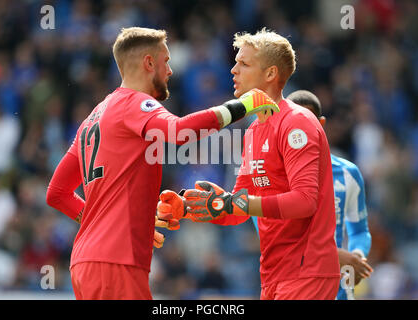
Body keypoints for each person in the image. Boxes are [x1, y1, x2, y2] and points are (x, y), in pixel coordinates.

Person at [45, 27, 277, 300]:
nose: (170, 71)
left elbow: (57, 193)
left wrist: (114, 224)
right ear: (149, 63)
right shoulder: (134, 103)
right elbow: (179, 133)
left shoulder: (93, 118)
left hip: (86, 261)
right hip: (115, 262)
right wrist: (241, 106)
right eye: (166, 62)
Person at [157, 29, 341, 300]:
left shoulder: (296, 122)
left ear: (270, 74)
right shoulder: (254, 129)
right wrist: (188, 208)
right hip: (273, 275)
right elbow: (240, 209)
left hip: (307, 271)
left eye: (243, 64)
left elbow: (304, 201)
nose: (233, 70)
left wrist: (236, 202)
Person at [284, 90, 373, 300]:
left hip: (338, 290)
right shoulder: (271, 176)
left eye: (307, 122)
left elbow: (360, 231)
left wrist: (356, 258)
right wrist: (336, 256)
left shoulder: (347, 173)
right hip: (291, 288)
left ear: (320, 124)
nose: (301, 132)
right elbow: (273, 242)